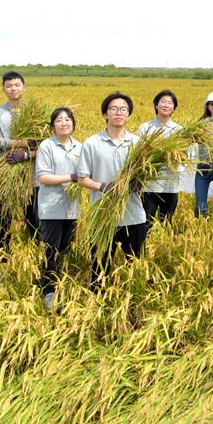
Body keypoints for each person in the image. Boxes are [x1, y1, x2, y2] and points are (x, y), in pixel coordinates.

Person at [77, 92, 147, 287]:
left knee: (135, 266)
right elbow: (82, 178)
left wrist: (138, 184)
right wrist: (103, 186)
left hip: (133, 215)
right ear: (105, 114)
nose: (119, 112)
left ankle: (133, 306)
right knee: (99, 268)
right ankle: (97, 306)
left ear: (129, 115)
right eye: (113, 109)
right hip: (101, 215)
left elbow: (147, 176)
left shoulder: (138, 143)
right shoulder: (91, 143)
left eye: (123, 109)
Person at [0, 70, 39, 253]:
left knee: (34, 218)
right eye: (9, 86)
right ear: (3, 89)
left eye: (17, 85)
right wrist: (21, 143)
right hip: (3, 174)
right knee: (2, 220)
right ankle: (3, 256)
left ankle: (38, 255)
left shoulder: (35, 113)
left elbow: (44, 143)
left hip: (31, 175)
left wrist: (26, 153)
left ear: (24, 88)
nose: (13, 89)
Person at [35, 107, 82, 309]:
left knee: (64, 248)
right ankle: (49, 291)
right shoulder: (46, 146)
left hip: (72, 207)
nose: (64, 123)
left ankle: (60, 282)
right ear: (53, 125)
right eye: (59, 120)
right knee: (51, 250)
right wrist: (70, 177)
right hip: (51, 207)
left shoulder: (80, 147)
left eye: (67, 119)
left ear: (73, 123)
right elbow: (43, 177)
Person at [137, 90, 183, 231]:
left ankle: (163, 249)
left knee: (166, 221)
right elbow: (138, 153)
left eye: (170, 103)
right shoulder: (145, 127)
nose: (166, 105)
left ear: (174, 108)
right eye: (163, 102)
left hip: (170, 183)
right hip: (150, 184)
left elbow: (184, 155)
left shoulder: (179, 130)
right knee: (146, 222)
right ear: (156, 105)